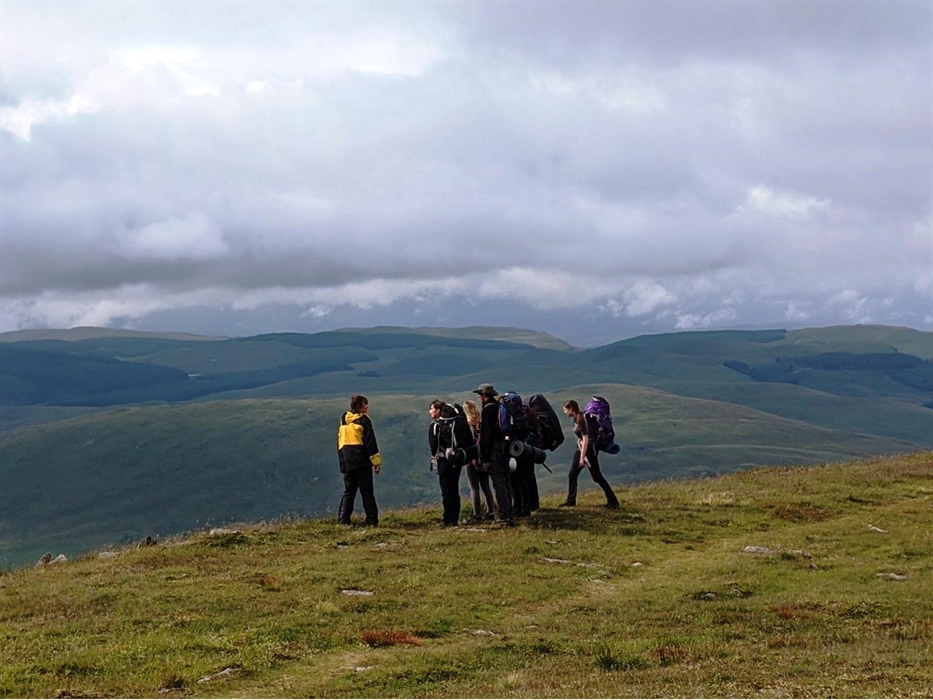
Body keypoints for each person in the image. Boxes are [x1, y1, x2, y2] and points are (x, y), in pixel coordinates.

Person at [560, 399, 620, 509]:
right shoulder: (577, 418)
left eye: (565, 409)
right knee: (573, 474)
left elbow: (586, 438)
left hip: (588, 450)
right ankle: (571, 500)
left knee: (596, 477)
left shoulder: (581, 419)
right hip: (582, 449)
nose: (564, 412)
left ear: (571, 409)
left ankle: (613, 501)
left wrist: (582, 458)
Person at [337, 395, 382, 526]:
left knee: (349, 492)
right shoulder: (364, 421)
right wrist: (376, 462)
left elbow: (340, 443)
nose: (367, 407)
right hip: (361, 460)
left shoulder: (344, 422)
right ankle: (372, 520)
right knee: (367, 491)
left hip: (346, 461)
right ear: (360, 406)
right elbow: (370, 442)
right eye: (365, 404)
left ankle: (343, 520)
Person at [473, 383, 515, 526]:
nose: (479, 398)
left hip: (494, 450)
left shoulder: (488, 410)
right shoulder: (499, 407)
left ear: (484, 396)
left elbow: (486, 435)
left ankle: (504, 516)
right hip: (504, 448)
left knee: (498, 483)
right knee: (506, 481)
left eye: (480, 395)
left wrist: (484, 457)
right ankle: (510, 512)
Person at [428, 399, 468, 527]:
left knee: (446, 491)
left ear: (439, 410)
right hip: (456, 459)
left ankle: (448, 519)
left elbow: (433, 446)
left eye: (432, 409)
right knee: (454, 489)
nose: (430, 411)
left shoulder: (436, 426)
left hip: (443, 462)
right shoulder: (455, 423)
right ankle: (455, 518)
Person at [463, 399, 496, 521]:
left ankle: (477, 514)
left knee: (474, 488)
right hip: (483, 457)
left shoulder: (467, 425)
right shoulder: (481, 422)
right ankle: (491, 511)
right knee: (486, 486)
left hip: (471, 458)